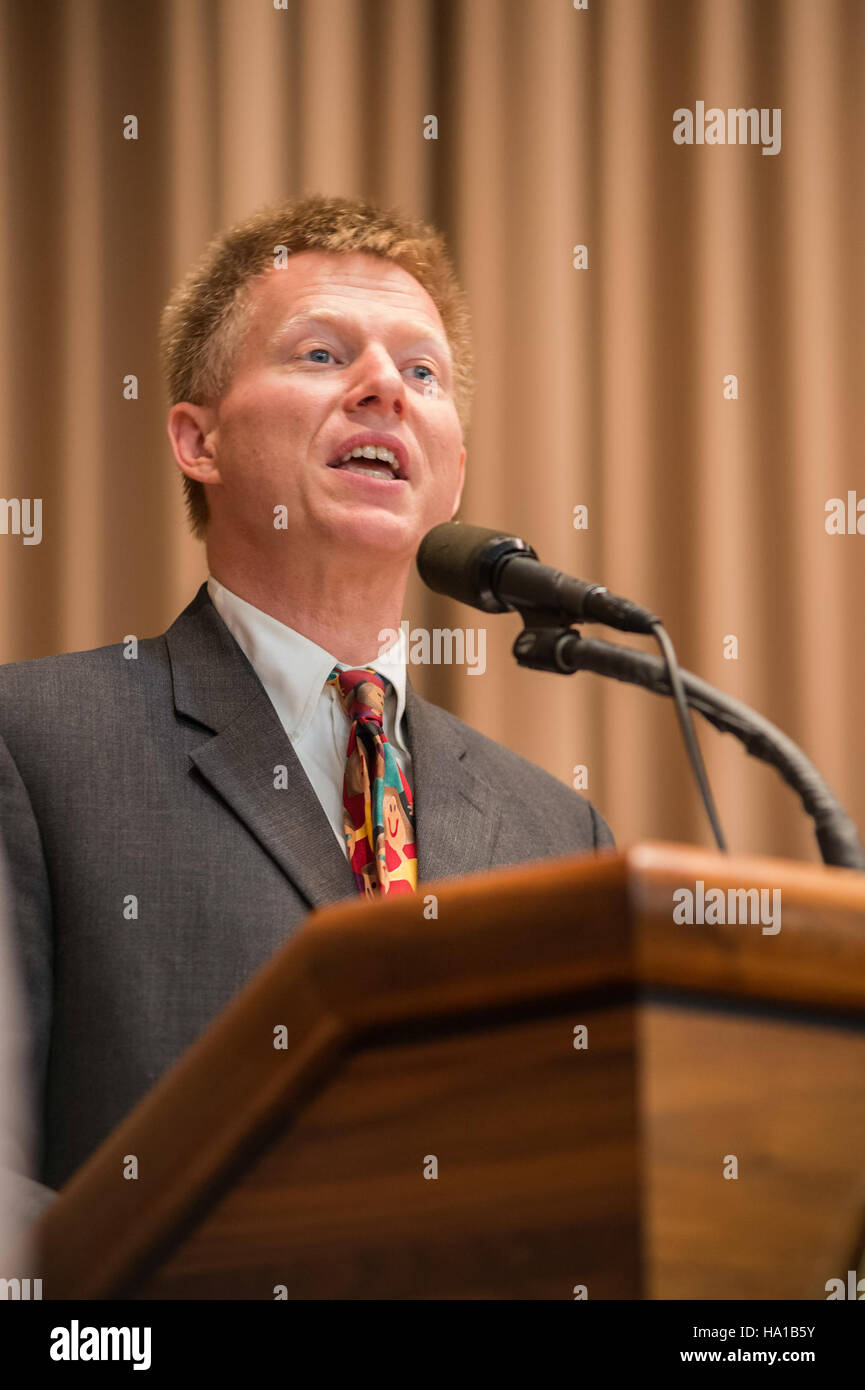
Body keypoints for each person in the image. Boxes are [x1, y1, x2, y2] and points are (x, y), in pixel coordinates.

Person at [0, 195, 613, 1221]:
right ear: (197, 440)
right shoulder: (37, 745)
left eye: (423, 373)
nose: (386, 388)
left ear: (452, 474)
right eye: (324, 355)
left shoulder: (560, 832)